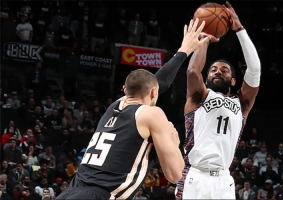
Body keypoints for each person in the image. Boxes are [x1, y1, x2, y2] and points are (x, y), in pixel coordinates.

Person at [56, 19, 210, 200]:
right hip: (99, 195)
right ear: (154, 92)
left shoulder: (115, 106)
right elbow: (175, 175)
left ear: (125, 90)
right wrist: (174, 145)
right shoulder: (152, 114)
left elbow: (158, 81)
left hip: (70, 191)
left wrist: (183, 51)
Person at [175, 1, 261, 199]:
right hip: (195, 175)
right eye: (213, 69)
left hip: (223, 179)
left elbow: (255, 70)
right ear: (207, 78)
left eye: (224, 70)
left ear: (232, 80)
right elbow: (192, 70)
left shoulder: (242, 104)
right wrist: (203, 40)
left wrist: (239, 30)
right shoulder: (199, 97)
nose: (217, 72)